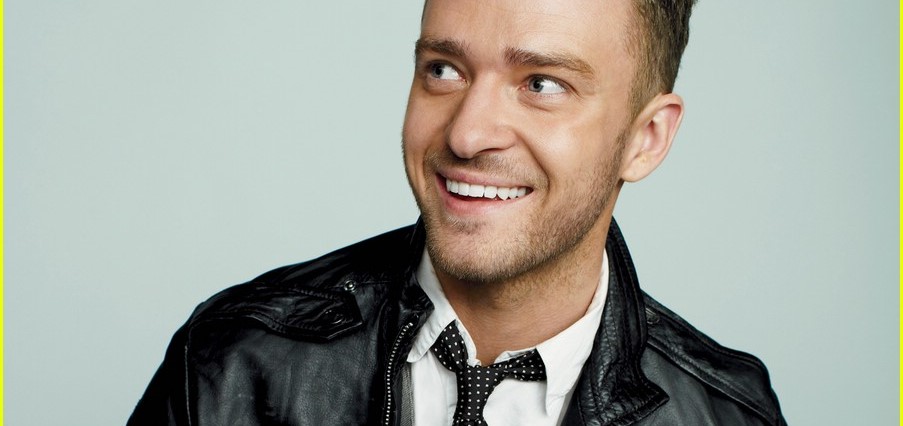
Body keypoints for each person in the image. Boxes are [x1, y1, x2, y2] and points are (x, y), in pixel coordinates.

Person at [129, 0, 785, 424]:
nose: (467, 135)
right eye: (443, 70)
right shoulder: (231, 365)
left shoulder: (727, 414)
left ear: (646, 139)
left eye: (541, 84)